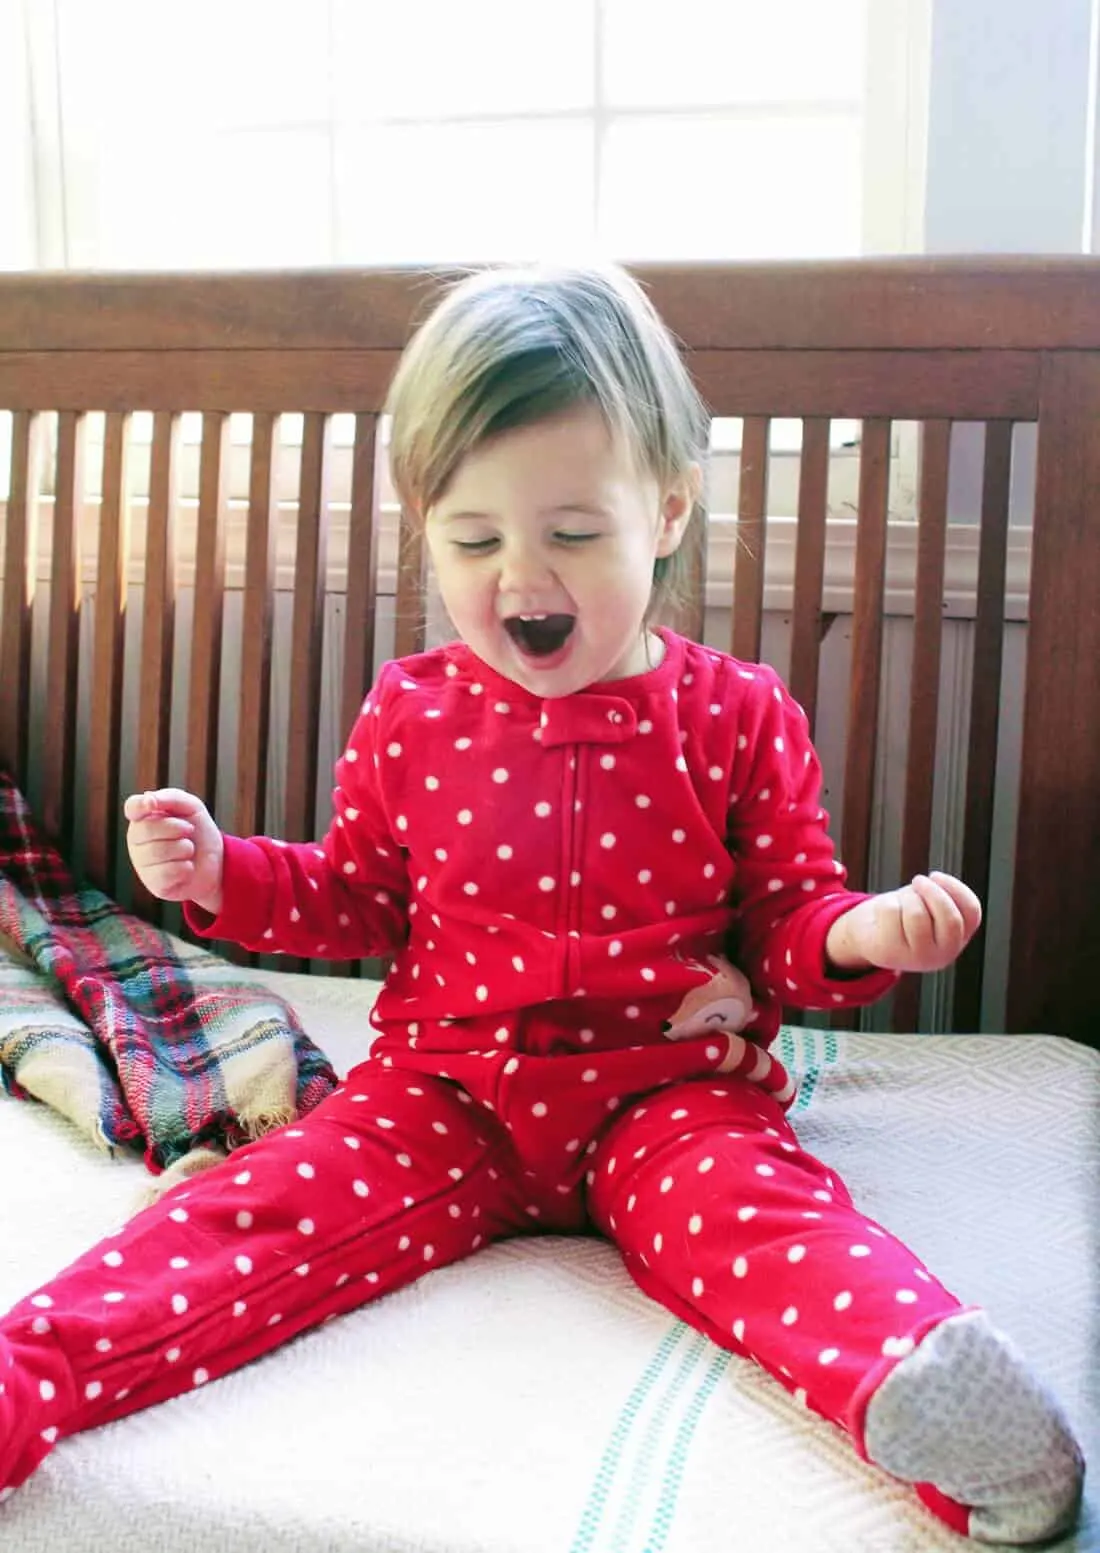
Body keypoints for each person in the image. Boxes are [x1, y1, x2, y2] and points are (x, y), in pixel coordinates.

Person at [0, 263, 1082, 1544]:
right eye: (473, 539)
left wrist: (864, 931)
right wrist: (225, 871)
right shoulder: (412, 711)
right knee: (255, 1212)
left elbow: (788, 921)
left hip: (665, 1091)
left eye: (572, 533)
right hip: (447, 1090)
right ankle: (34, 1371)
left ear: (667, 511)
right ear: (426, 525)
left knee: (767, 1222)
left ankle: (925, 1386)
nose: (522, 573)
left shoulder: (733, 715)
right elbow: (354, 901)